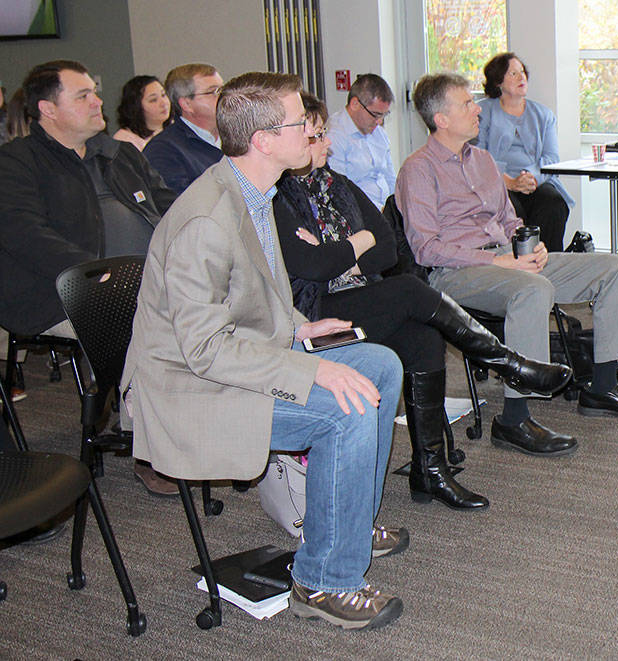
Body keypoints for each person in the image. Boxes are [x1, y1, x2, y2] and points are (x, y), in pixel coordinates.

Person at [122, 72, 407, 631]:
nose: (312, 131)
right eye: (300, 122)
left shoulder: (255, 193)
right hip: (192, 388)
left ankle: (346, 525)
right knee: (343, 406)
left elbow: (256, 296)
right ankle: (324, 582)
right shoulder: (207, 219)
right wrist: (311, 369)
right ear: (263, 140)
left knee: (380, 365)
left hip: (236, 358)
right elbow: (204, 350)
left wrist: (301, 329)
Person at [274, 93, 571, 510]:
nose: (328, 143)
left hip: (360, 298)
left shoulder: (336, 185)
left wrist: (340, 251)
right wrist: (353, 245)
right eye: (317, 135)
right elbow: (309, 265)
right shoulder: (278, 197)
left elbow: (385, 253)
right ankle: (507, 363)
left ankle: (429, 469)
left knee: (424, 335)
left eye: (324, 133)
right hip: (311, 316)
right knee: (412, 292)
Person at [396, 72, 618, 458]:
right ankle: (514, 418)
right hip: (458, 273)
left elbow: (509, 220)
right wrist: (497, 259)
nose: (478, 111)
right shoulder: (417, 170)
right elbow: (426, 248)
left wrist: (531, 247)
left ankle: (603, 387)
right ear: (441, 119)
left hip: (511, 259)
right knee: (533, 289)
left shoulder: (483, 160)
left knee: (614, 268)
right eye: (467, 104)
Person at [0, 60, 177, 493]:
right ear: (48, 109)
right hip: (57, 293)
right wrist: (108, 279)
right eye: (82, 96)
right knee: (148, 324)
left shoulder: (119, 154)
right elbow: (29, 237)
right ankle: (150, 447)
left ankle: (196, 422)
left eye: (95, 93)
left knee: (211, 303)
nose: (98, 101)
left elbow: (171, 207)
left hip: (145, 281)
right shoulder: (16, 163)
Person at [477, 53, 573, 252]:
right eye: (513, 73)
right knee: (511, 212)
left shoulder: (543, 115)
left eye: (522, 72)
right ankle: (521, 268)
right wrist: (509, 182)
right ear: (498, 82)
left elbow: (551, 158)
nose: (522, 78)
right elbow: (478, 157)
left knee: (553, 203)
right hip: (498, 183)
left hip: (534, 182)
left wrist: (532, 178)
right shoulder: (483, 112)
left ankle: (552, 266)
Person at [143, 63, 224, 193]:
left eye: (223, 89)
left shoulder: (237, 136)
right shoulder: (163, 151)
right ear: (187, 104)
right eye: (214, 92)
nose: (225, 97)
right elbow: (180, 207)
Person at [327, 73, 397, 206]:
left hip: (385, 210)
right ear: (355, 104)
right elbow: (340, 192)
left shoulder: (379, 133)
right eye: (375, 114)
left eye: (384, 115)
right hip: (360, 215)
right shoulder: (334, 136)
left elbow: (390, 178)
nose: (379, 121)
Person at [113, 74, 172, 151]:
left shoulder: (174, 127)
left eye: (163, 95)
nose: (164, 103)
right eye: (153, 100)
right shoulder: (124, 140)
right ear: (136, 107)